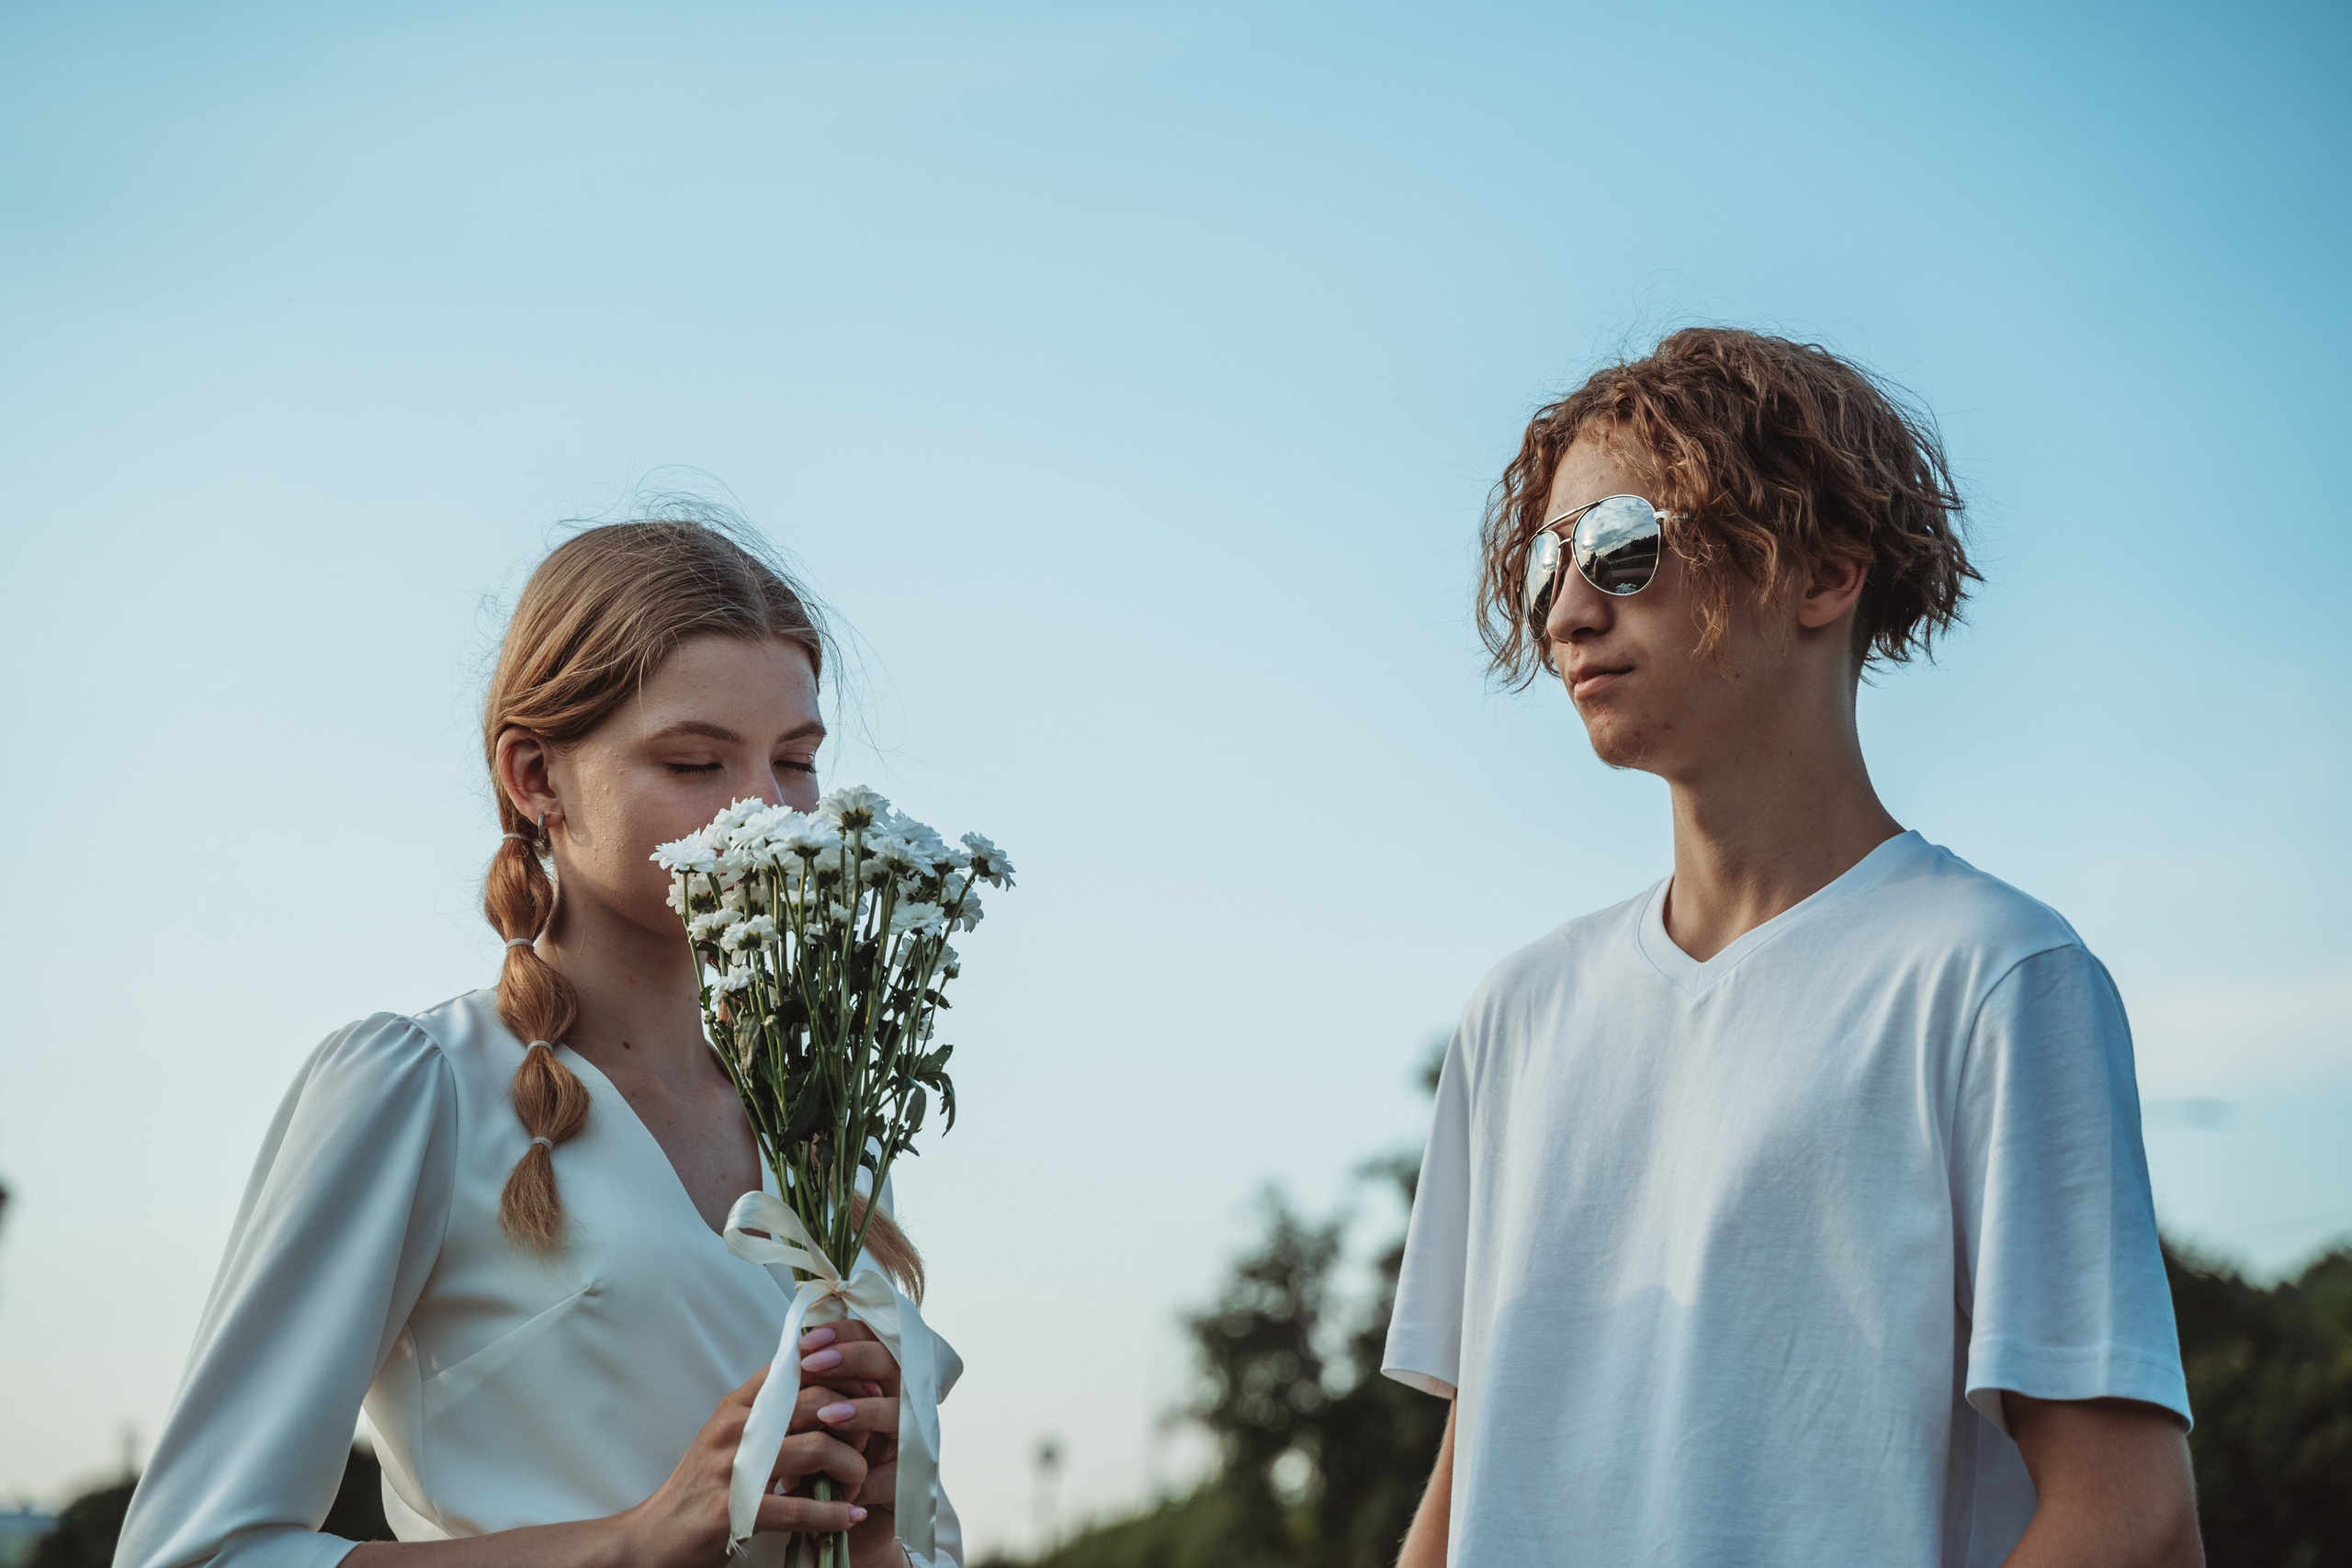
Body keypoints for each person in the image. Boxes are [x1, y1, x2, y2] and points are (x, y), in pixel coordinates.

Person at [1383, 329, 2199, 1567]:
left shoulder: (1993, 978)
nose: (1566, 607)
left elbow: (2131, 1517)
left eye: (1621, 545)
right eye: (1551, 556)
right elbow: (1474, 1479)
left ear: (1821, 573)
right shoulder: (1518, 1013)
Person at [116, 518, 962, 1568]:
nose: (768, 814)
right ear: (535, 777)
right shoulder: (422, 1092)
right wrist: (633, 1541)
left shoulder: (826, 1126)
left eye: (794, 762)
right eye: (695, 761)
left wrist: (874, 1536)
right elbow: (194, 1554)